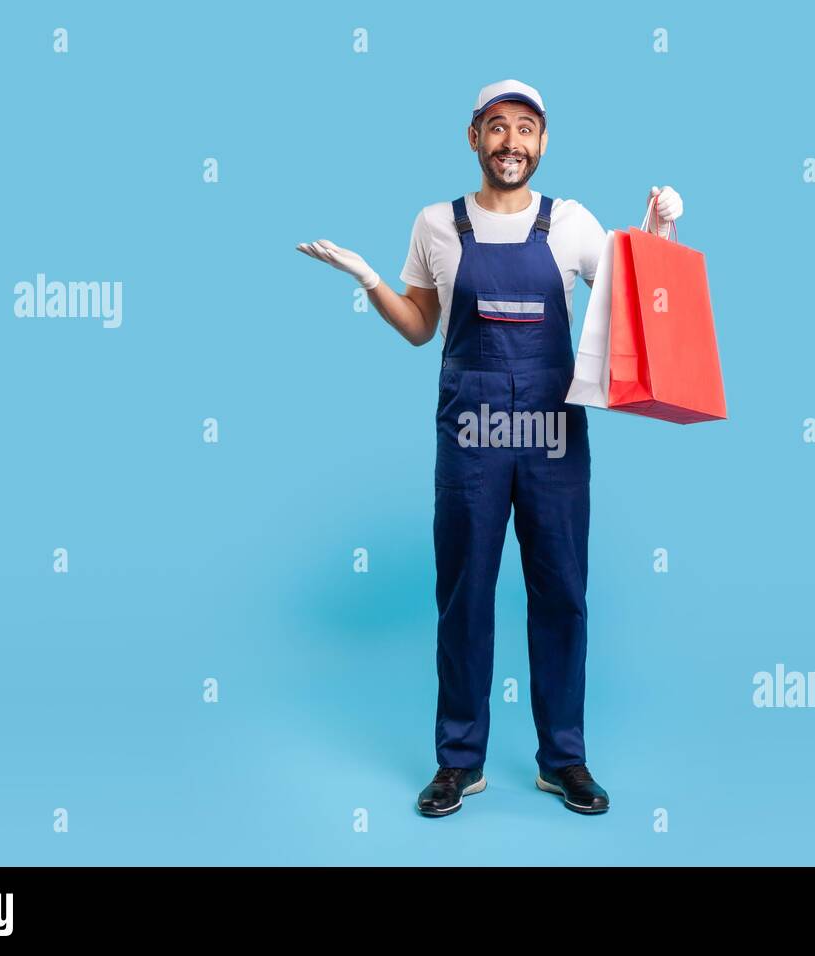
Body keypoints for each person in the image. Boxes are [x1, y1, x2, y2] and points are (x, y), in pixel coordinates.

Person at [298, 79, 683, 817]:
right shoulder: (436, 225)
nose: (512, 142)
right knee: (464, 594)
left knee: (562, 594)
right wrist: (368, 277)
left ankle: (563, 759)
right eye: (498, 127)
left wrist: (657, 236)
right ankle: (459, 763)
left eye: (527, 129)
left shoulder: (571, 223)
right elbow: (418, 327)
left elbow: (638, 303)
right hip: (471, 437)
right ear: (472, 137)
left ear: (543, 143)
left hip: (553, 435)